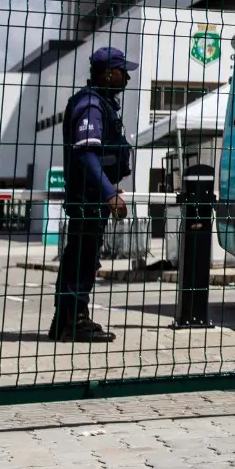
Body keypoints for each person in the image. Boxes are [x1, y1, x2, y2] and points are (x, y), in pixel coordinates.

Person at [50, 46, 136, 343]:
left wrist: (107, 188)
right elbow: (86, 154)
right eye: (122, 71)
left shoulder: (99, 102)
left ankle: (64, 320)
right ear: (108, 73)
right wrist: (109, 194)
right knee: (83, 260)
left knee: (79, 257)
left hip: (91, 195)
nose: (126, 77)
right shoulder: (91, 105)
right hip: (88, 199)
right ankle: (74, 321)